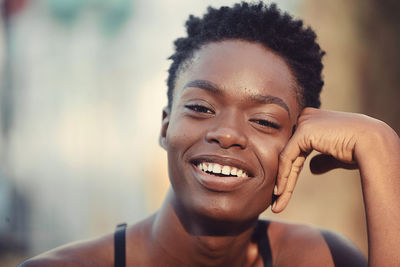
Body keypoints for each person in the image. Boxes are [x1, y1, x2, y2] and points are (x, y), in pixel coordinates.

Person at [19, 2, 400, 266]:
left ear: (298, 147)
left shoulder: (320, 258)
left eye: (265, 121)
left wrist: (382, 150)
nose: (227, 134)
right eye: (201, 108)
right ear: (166, 125)